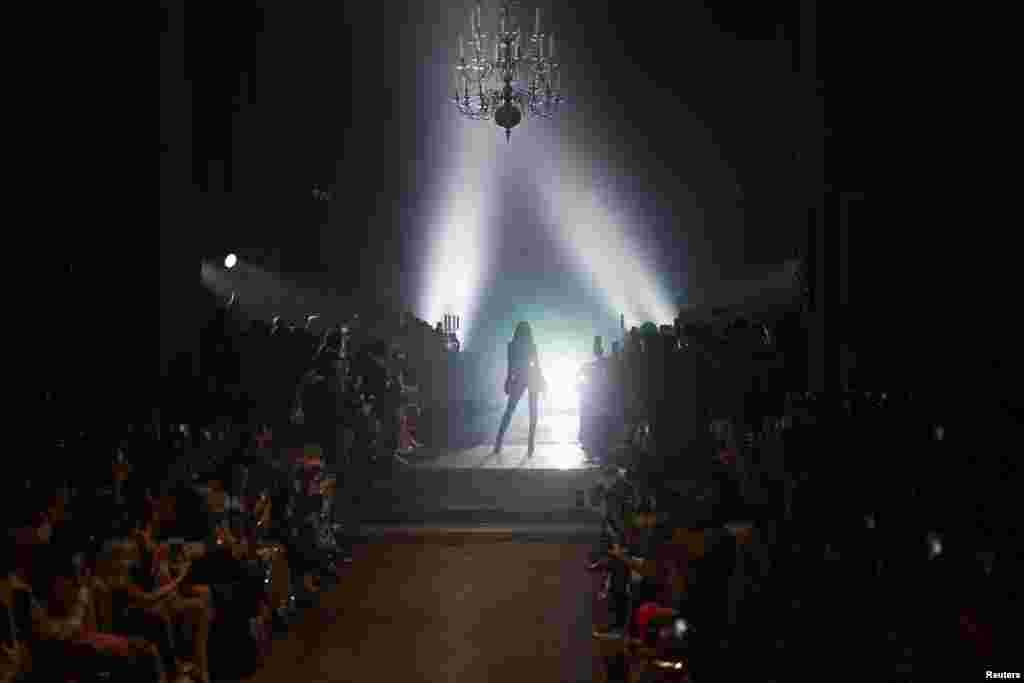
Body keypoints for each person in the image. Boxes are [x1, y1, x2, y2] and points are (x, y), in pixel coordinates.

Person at [493, 321, 547, 456]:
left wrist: (508, 379)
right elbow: (536, 365)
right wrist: (542, 378)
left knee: (509, 410)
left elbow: (510, 365)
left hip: (520, 378)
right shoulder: (531, 345)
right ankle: (530, 444)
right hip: (532, 377)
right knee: (533, 412)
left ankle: (498, 442)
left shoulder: (512, 346)